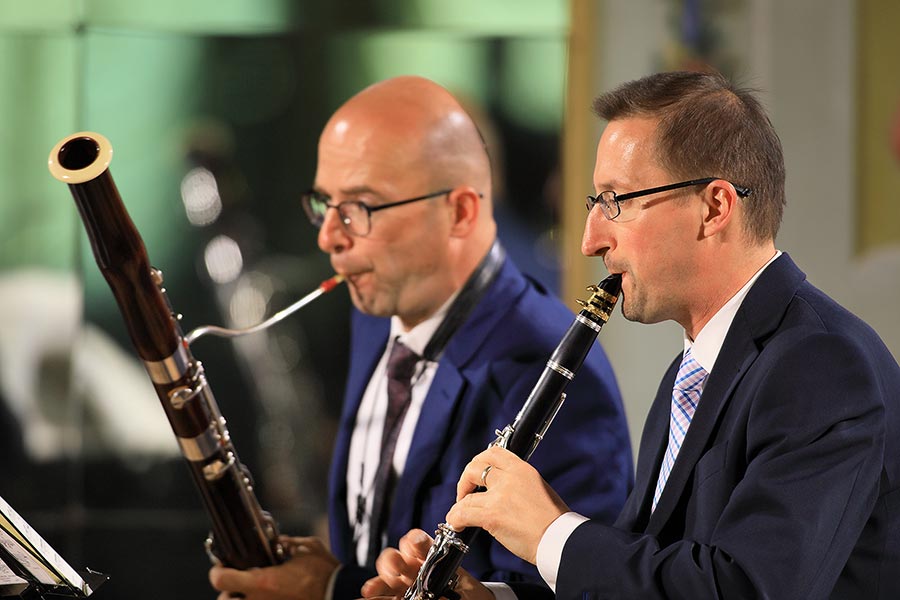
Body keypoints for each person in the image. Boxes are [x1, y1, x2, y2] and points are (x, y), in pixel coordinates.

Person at [366, 70, 900, 599]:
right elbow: (651, 575)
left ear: (715, 207)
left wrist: (551, 532)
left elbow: (746, 588)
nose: (589, 241)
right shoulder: (693, 370)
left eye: (615, 201)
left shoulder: (821, 364)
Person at [208, 75, 633, 599]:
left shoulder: (545, 363)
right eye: (323, 204)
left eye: (360, 208)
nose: (328, 237)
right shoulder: (377, 308)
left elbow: (574, 590)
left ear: (459, 211)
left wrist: (334, 589)